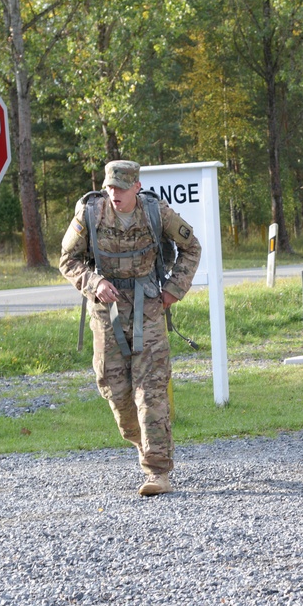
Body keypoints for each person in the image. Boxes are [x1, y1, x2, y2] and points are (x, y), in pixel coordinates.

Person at [60, 160, 201, 496]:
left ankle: (157, 471)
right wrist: (94, 282)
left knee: (150, 390)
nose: (114, 194)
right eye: (110, 187)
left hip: (148, 309)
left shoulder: (157, 213)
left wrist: (173, 289)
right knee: (115, 390)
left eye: (121, 188)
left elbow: (191, 248)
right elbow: (67, 259)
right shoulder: (90, 214)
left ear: (136, 187)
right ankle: (144, 443)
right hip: (106, 315)